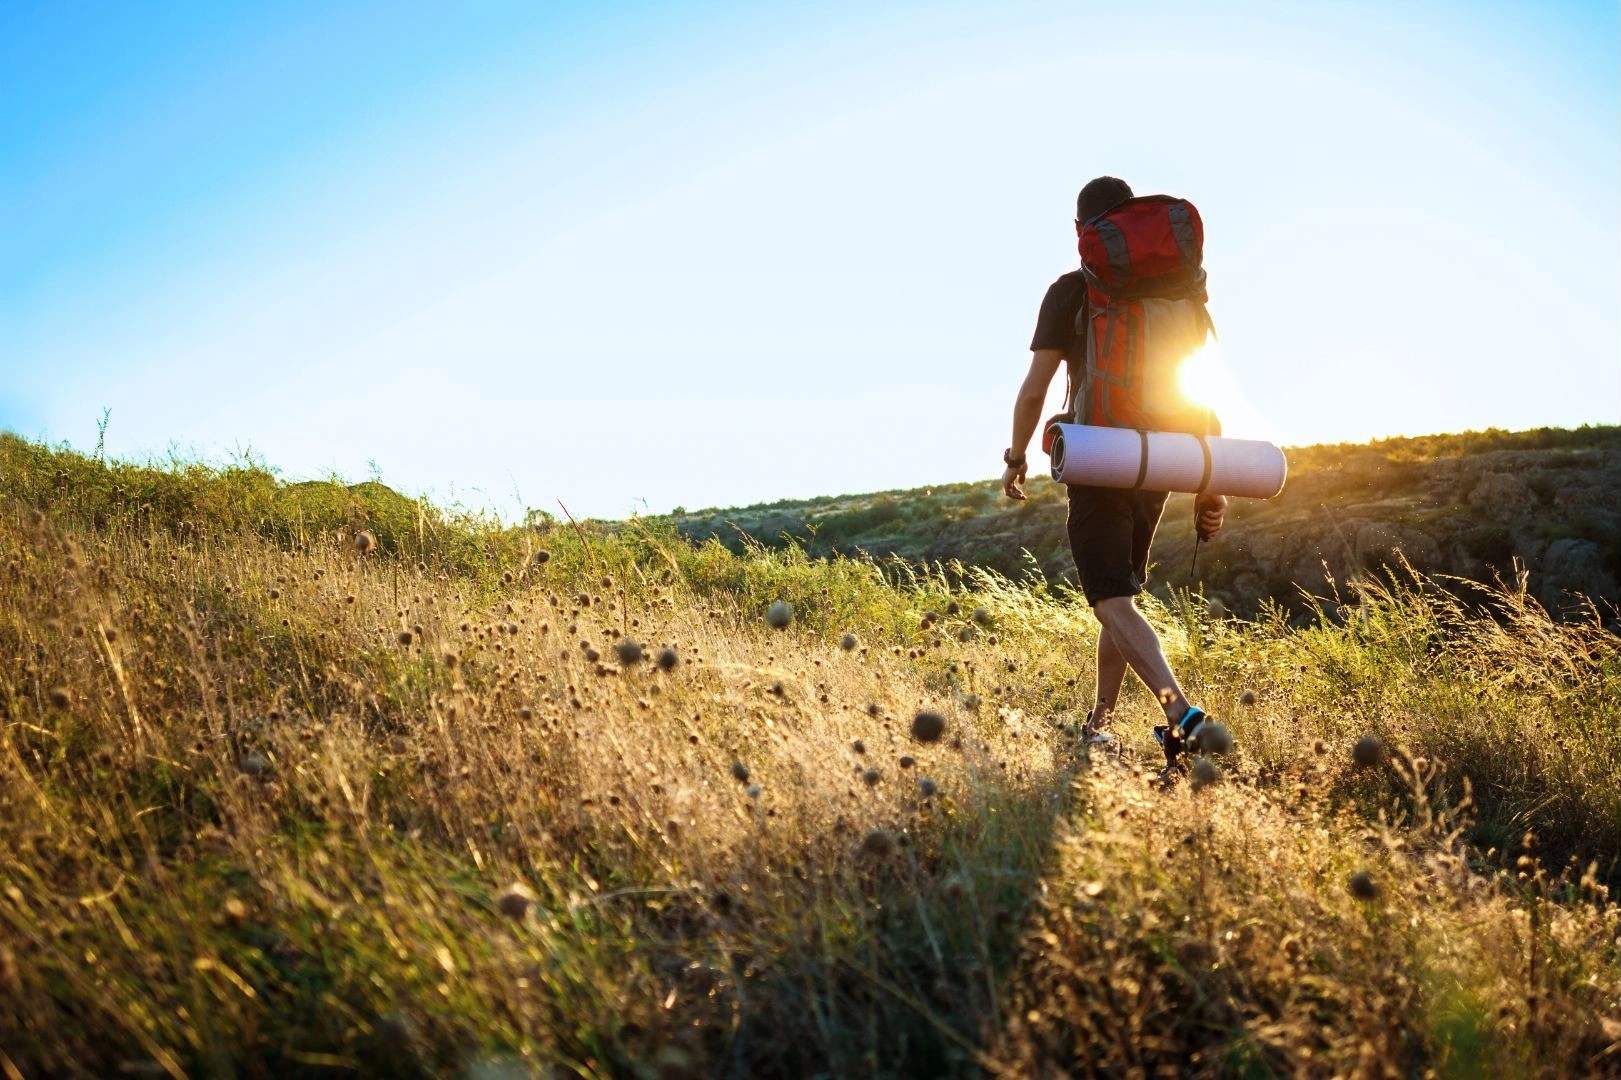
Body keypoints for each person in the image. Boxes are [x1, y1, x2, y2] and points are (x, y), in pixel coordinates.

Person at [1000, 175, 1225, 773]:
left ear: (1084, 231)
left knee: (1109, 599)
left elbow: (1034, 391)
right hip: (1161, 458)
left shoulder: (1075, 289)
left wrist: (1016, 456)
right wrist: (1210, 479)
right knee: (1120, 594)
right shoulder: (1179, 289)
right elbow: (1201, 386)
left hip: (1101, 457)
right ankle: (1099, 723)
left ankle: (1181, 716)